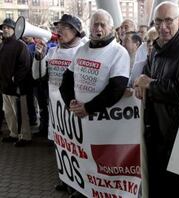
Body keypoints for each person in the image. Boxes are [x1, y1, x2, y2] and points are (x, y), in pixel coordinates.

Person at [133, 2, 179, 197]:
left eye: (168, 21)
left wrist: (149, 85)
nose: (162, 27)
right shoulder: (156, 48)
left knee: (174, 189)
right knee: (156, 185)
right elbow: (145, 76)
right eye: (158, 22)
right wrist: (140, 85)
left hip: (176, 133)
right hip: (155, 129)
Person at [34, 14, 85, 196]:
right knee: (61, 147)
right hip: (55, 109)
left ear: (75, 31)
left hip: (73, 109)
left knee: (76, 148)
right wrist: (38, 57)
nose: (59, 31)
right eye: (58, 27)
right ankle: (65, 179)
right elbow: (37, 75)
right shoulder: (52, 51)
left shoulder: (83, 51)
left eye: (64, 27)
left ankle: (79, 185)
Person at [60, 9, 129, 119]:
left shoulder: (119, 52)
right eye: (95, 24)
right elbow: (67, 79)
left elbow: (117, 88)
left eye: (103, 25)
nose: (98, 28)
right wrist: (70, 101)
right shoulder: (81, 50)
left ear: (111, 28)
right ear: (90, 27)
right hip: (80, 120)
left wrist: (88, 108)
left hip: (105, 121)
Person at [0, 18, 32, 147]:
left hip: (17, 87)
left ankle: (25, 136)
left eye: (8, 27)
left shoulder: (20, 45)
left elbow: (24, 65)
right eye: (4, 27)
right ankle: (13, 133)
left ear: (14, 29)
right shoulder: (2, 45)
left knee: (21, 113)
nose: (5, 29)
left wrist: (15, 81)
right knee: (9, 113)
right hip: (4, 87)